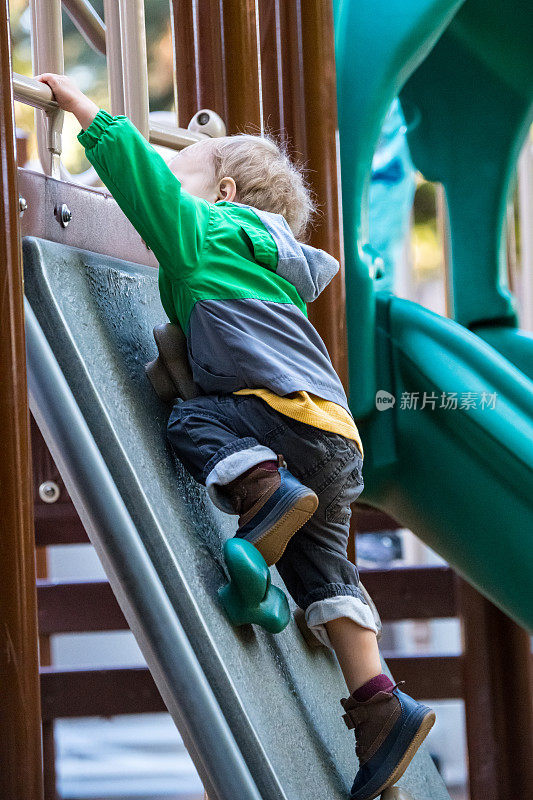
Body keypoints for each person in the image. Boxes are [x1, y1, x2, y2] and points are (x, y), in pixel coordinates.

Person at [36, 72, 436, 800]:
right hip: (335, 437)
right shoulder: (274, 269)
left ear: (221, 195)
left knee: (194, 422)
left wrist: (88, 114)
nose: (172, 175)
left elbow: (143, 187)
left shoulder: (206, 235)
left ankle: (261, 494)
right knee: (329, 577)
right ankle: (379, 704)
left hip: (274, 421)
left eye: (185, 167)